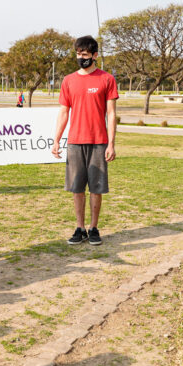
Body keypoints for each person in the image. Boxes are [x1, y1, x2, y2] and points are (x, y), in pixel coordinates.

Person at [52, 35, 118, 246]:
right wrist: (56, 140)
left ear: (95, 55)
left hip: (98, 142)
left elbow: (111, 114)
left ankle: (94, 228)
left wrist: (111, 144)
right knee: (76, 188)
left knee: (96, 188)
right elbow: (63, 113)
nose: (81, 58)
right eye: (78, 54)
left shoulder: (107, 79)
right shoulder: (68, 80)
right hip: (75, 142)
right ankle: (79, 228)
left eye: (85, 55)